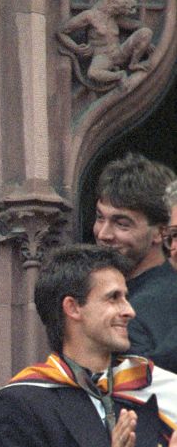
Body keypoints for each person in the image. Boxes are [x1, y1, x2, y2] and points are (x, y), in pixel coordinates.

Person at [0, 244, 177, 447]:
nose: (129, 310)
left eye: (126, 297)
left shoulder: (153, 388)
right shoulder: (25, 400)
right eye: (113, 298)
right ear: (72, 308)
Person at [92, 152, 177, 369]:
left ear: (160, 232)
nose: (103, 233)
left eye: (122, 223)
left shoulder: (132, 312)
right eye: (100, 217)